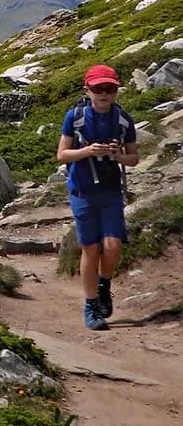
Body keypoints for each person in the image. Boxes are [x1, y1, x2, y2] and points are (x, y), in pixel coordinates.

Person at [56, 64, 139, 331]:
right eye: (98, 88)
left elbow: (134, 158)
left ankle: (104, 284)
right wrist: (88, 151)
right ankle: (91, 305)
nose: (104, 93)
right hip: (82, 191)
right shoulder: (75, 117)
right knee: (90, 248)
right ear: (87, 90)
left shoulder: (124, 120)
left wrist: (117, 156)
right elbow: (62, 155)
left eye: (110, 88)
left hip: (110, 190)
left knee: (113, 246)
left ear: (116, 90)